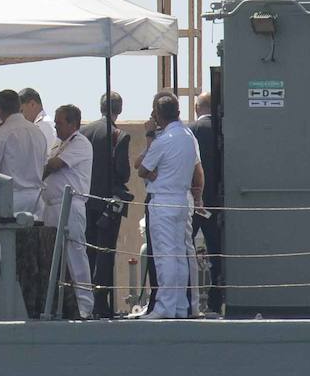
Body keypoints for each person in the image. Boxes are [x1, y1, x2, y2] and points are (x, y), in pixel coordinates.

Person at [136, 92, 205, 320]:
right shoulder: (188, 136)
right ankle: (180, 306)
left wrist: (150, 136)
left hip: (163, 200)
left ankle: (165, 306)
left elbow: (142, 169)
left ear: (157, 115)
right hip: (182, 200)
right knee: (180, 255)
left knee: (165, 256)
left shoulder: (163, 141)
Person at [42, 104, 94, 318]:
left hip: (70, 205)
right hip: (52, 206)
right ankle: (59, 305)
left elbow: (54, 165)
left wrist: (34, 171)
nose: (56, 127)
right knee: (53, 258)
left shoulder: (80, 143)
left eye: (60, 123)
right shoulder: (59, 143)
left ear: (73, 124)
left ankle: (85, 305)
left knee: (75, 255)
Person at [82, 92, 131, 318]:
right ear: (119, 110)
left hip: (86, 200)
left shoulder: (85, 132)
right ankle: (102, 304)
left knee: (88, 252)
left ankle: (87, 302)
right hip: (109, 204)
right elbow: (123, 172)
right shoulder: (119, 135)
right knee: (106, 253)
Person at [0, 89, 47, 215]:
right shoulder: (38, 132)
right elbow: (44, 167)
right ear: (19, 106)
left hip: (11, 198)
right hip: (36, 199)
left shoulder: (1, 133)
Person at [190, 91, 224, 314]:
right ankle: (215, 302)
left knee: (184, 250)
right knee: (217, 253)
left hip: (194, 201)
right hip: (217, 202)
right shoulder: (222, 129)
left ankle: (187, 300)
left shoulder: (191, 130)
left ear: (196, 108)